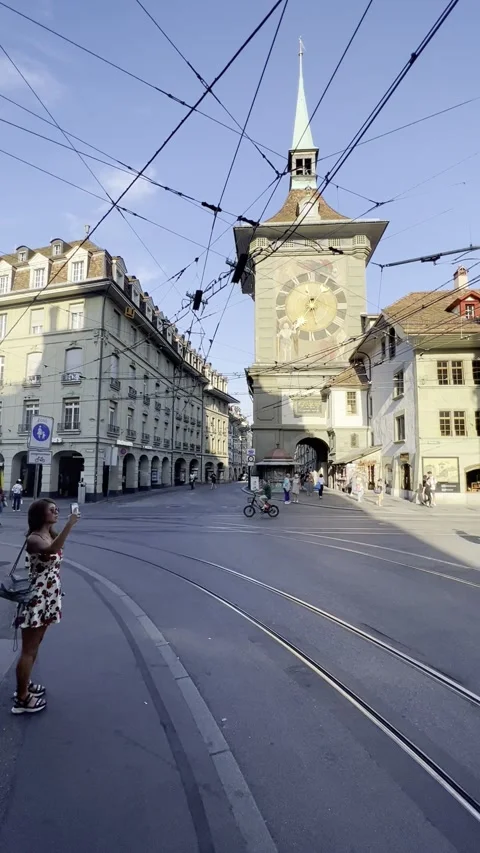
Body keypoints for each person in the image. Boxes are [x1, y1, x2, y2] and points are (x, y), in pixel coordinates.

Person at [12, 499, 80, 715]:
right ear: (41, 514)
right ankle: (21, 698)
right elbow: (52, 550)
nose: (56, 512)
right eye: (52, 510)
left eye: (57, 509)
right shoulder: (34, 538)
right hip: (37, 600)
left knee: (35, 646)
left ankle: (26, 684)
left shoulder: (48, 534)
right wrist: (70, 525)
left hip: (47, 598)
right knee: (28, 650)